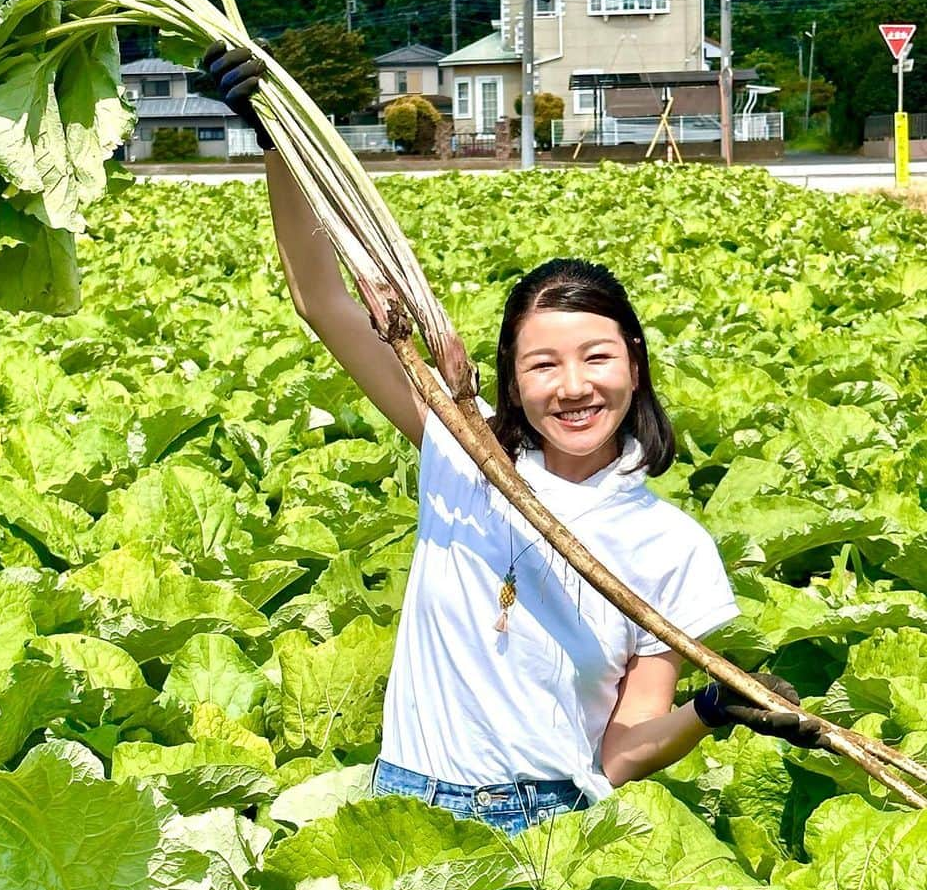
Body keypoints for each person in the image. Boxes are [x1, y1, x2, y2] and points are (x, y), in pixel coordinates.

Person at [202, 45, 825, 835]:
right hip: (408, 802)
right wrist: (275, 141)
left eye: (597, 357)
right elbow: (322, 301)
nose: (573, 387)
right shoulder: (463, 457)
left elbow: (620, 754)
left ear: (633, 365)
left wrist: (712, 709)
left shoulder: (675, 547)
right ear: (511, 379)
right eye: (543, 365)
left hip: (549, 819)